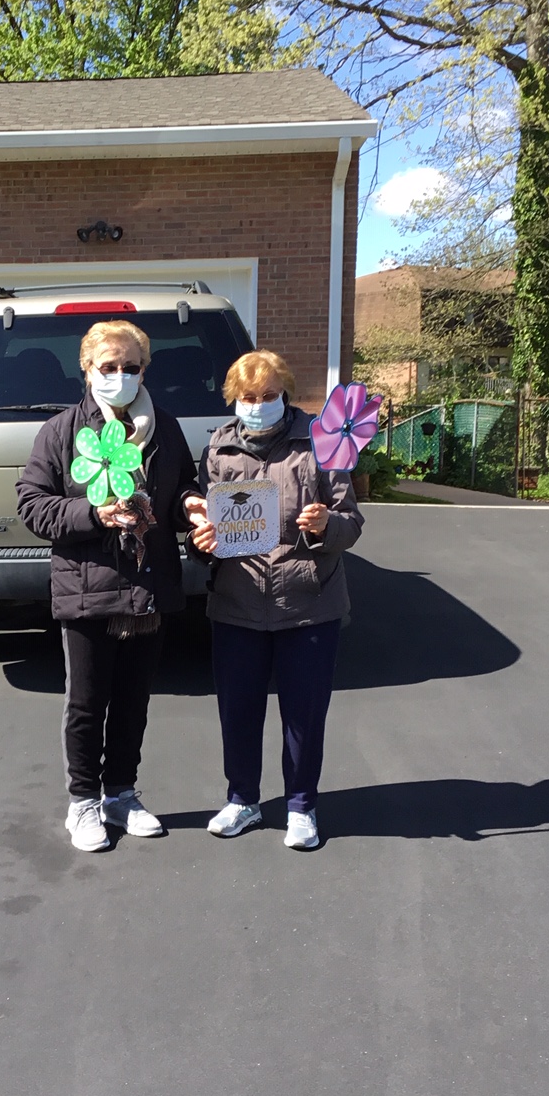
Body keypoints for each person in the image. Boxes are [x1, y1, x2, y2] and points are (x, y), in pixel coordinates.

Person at [17, 320, 209, 852]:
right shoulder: (60, 433)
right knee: (86, 701)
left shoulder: (163, 428)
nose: (121, 376)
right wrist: (94, 514)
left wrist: (188, 505)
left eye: (131, 367)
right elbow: (32, 505)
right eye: (109, 366)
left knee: (133, 700)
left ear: (144, 370)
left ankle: (121, 793)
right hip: (87, 586)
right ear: (87, 369)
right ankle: (83, 803)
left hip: (148, 584)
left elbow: (180, 488)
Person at [189, 350, 363, 849]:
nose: (258, 405)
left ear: (284, 393)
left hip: (308, 601)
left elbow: (351, 521)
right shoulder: (219, 450)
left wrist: (328, 525)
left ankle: (301, 806)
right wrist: (200, 541)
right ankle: (242, 799)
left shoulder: (319, 440)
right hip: (237, 603)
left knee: (304, 715)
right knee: (238, 711)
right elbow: (206, 522)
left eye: (268, 396)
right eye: (248, 398)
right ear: (234, 400)